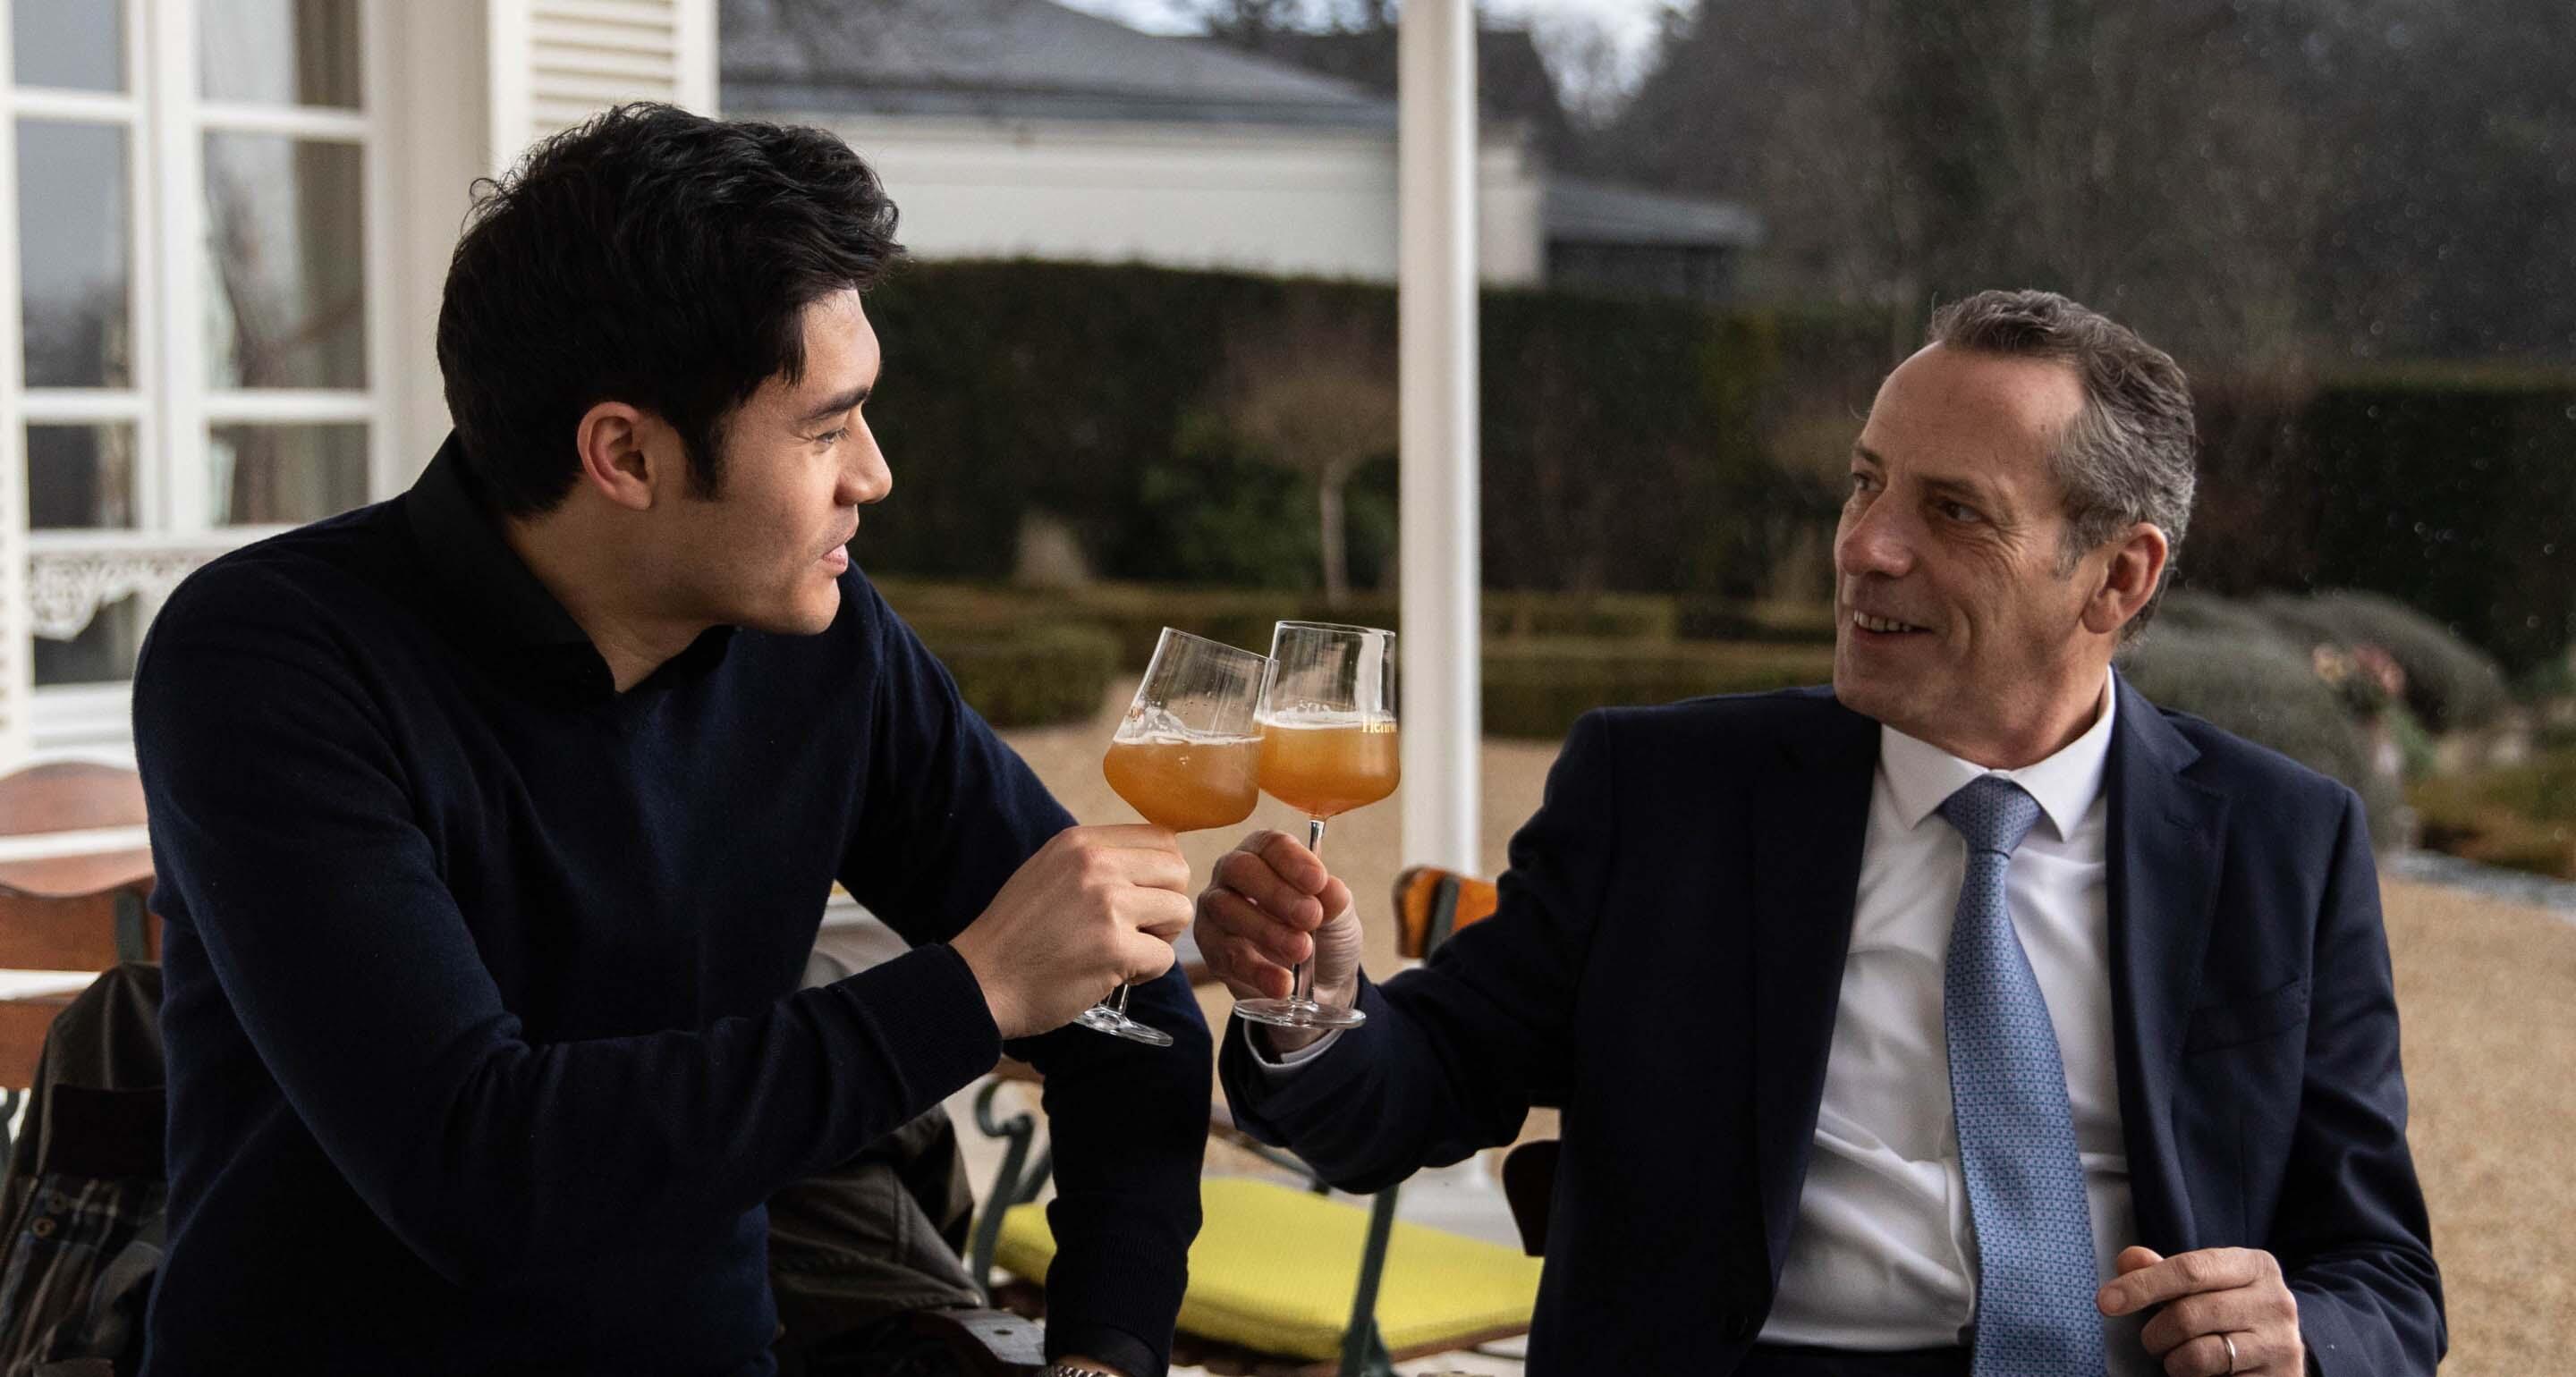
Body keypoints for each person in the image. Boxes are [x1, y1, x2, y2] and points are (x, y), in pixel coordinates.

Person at [131, 104, 1208, 1377]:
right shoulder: (268, 658)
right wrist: (974, 993)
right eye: (825, 428)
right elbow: (476, 1171)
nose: (874, 474)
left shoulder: (826, 643)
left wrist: (1103, 1352)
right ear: (625, 455)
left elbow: (1128, 1003)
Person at [1197, 291, 2444, 1376]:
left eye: (1953, 511)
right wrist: (1313, 1008)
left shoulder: (2285, 841)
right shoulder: (1664, 794)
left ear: (2118, 577)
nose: (1864, 546)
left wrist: (2302, 1337)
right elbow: (1422, 1083)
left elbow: (2383, 1276)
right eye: (1865, 483)